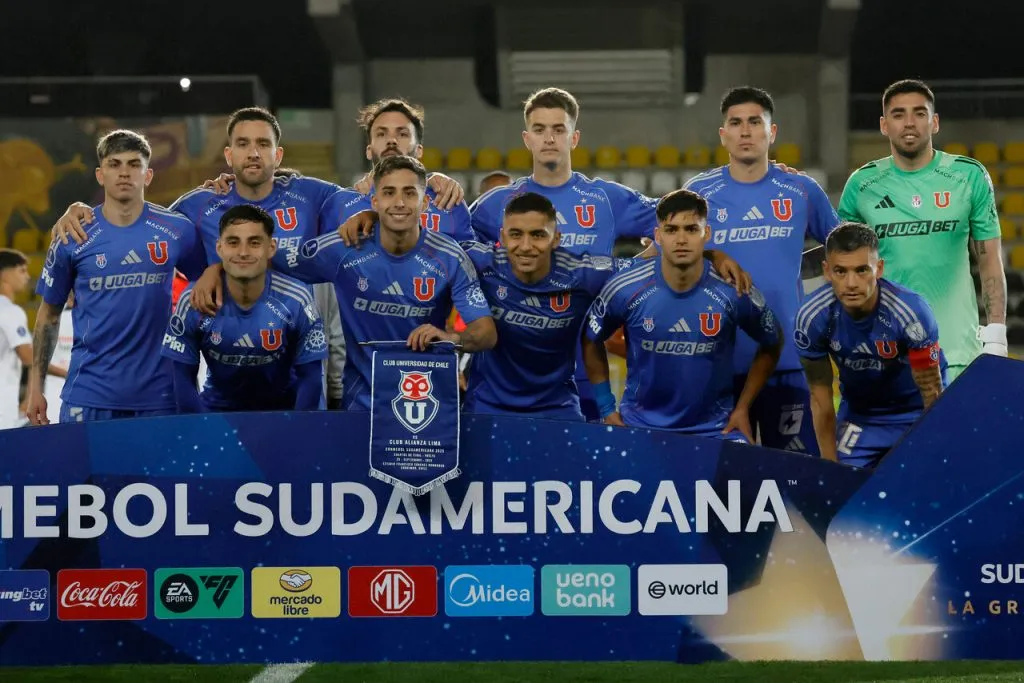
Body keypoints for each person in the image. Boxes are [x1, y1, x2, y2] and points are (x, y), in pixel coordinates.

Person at [51, 107, 351, 409]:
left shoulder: (310, 195)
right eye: (243, 144)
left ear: (279, 154)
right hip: (224, 384)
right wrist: (79, 217)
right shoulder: (199, 204)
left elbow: (364, 204)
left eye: (263, 143)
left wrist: (366, 193)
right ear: (228, 155)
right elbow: (141, 228)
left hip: (298, 380)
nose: (253, 153)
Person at [461, 191, 752, 421]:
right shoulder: (481, 263)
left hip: (556, 407)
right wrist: (440, 180)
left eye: (538, 235)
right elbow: (439, 249)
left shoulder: (584, 273)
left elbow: (653, 261)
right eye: (516, 235)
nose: (526, 246)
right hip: (486, 406)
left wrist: (712, 255)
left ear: (556, 239)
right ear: (502, 237)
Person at [468, 87, 658, 421]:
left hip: (588, 369)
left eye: (559, 129)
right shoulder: (495, 204)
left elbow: (680, 221)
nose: (549, 138)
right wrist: (437, 183)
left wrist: (645, 262)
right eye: (539, 129)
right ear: (527, 139)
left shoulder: (606, 198)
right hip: (510, 373)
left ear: (574, 138)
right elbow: (448, 251)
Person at [684, 86, 840, 455]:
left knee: (794, 480)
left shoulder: (801, 190)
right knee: (722, 481)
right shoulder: (699, 193)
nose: (745, 131)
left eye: (755, 122)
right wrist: (712, 254)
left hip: (788, 363)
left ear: (772, 132)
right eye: (735, 123)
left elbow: (843, 252)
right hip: (717, 366)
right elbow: (668, 257)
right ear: (723, 135)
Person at [283, 155, 496, 410]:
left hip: (427, 404)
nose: (399, 202)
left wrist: (449, 338)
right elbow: (272, 260)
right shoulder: (345, 247)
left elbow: (486, 334)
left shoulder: (449, 257)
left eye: (409, 193)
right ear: (375, 201)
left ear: (425, 203)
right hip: (361, 406)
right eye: (388, 192)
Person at [25, 129, 202, 424]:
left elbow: (208, 284)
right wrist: (35, 388)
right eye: (114, 164)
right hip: (88, 395)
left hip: (160, 396)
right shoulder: (72, 236)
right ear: (100, 174)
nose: (124, 173)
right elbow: (49, 315)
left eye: (134, 164)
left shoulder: (177, 230)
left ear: (148, 175)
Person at [838, 79, 1007, 381]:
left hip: (957, 352)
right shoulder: (861, 185)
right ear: (884, 125)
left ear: (935, 122)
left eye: (919, 113)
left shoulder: (969, 176)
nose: (909, 123)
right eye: (898, 114)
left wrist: (996, 334)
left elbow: (989, 258)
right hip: (887, 354)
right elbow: (845, 265)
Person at [582, 189, 782, 442]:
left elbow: (773, 341)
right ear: (658, 236)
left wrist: (742, 408)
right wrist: (606, 407)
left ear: (706, 233)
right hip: (640, 428)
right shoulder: (625, 287)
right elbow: (590, 339)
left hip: (716, 431)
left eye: (691, 229)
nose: (681, 239)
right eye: (671, 229)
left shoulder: (734, 289)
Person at [795, 222, 946, 468]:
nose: (851, 283)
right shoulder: (812, 318)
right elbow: (820, 398)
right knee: (841, 483)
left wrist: (933, 448)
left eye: (862, 270)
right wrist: (830, 465)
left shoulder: (911, 313)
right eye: (840, 271)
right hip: (861, 416)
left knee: (924, 476)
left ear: (879, 269)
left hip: (917, 412)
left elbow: (932, 393)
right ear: (827, 271)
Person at [161, 205, 326, 412]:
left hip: (283, 411)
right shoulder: (195, 299)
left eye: (254, 243)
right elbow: (182, 379)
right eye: (233, 242)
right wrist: (204, 426)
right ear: (219, 247)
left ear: (271, 247)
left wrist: (295, 425)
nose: (243, 252)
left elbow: (311, 378)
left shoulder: (297, 299)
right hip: (218, 412)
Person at [340, 98, 474, 241]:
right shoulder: (344, 205)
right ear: (368, 150)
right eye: (381, 134)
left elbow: (466, 252)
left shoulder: (448, 199)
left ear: (419, 150)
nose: (391, 140)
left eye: (402, 134)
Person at [0, 249, 32, 430]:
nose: (27, 277)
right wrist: (67, 372)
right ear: (5, 274)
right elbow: (29, 357)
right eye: (22, 270)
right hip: (3, 408)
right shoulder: (10, 311)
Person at [43, 292, 74, 425]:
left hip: (58, 392)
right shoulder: (51, 319)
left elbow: (39, 361)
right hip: (56, 391)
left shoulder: (49, 319)